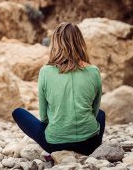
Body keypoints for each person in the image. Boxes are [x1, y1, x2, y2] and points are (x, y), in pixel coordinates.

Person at [12, 22, 105, 156]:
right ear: (80, 43)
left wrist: (60, 123)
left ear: (56, 44)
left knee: (18, 112)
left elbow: (44, 117)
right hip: (90, 145)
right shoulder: (93, 71)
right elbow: (95, 111)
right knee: (101, 114)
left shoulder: (45, 71)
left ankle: (61, 138)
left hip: (55, 145)